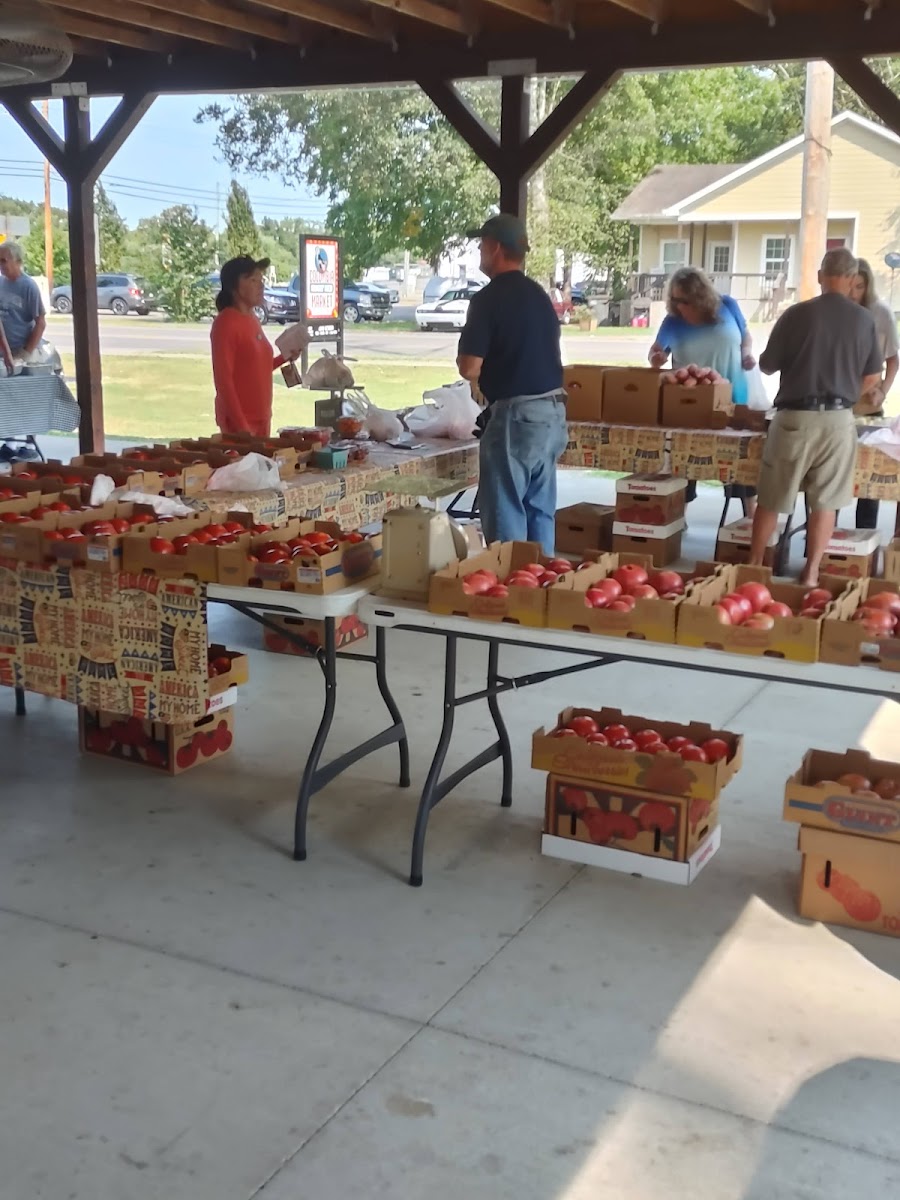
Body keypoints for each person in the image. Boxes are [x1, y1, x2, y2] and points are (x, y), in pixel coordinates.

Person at [749, 248, 882, 587]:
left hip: (794, 417)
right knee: (826, 502)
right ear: (852, 279)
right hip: (839, 419)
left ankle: (754, 565)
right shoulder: (864, 320)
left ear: (821, 276)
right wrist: (846, 392)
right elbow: (872, 377)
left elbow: (767, 365)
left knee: (772, 497)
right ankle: (810, 572)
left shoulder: (796, 314)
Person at [456, 214, 568, 555]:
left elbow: (469, 366)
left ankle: (510, 581)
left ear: (495, 247)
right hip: (552, 412)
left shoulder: (488, 299)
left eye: (481, 245)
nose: (479, 251)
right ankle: (542, 578)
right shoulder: (538, 295)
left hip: (516, 415)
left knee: (506, 515)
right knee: (539, 511)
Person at [648, 266, 757, 508]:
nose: (680, 306)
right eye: (675, 300)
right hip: (690, 405)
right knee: (684, 463)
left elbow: (746, 336)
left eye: (685, 301)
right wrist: (657, 359)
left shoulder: (728, 306)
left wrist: (747, 354)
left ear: (701, 297)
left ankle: (749, 521)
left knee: (740, 466)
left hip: (733, 398)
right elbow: (655, 353)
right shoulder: (673, 321)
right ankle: (677, 520)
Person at [210, 255, 295, 438]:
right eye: (253, 280)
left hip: (262, 418)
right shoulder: (226, 323)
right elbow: (223, 381)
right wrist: (242, 427)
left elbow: (257, 367)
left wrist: (284, 358)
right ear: (235, 287)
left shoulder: (252, 319)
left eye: (261, 280)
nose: (261, 286)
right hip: (240, 424)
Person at [851, 257, 899, 530]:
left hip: (869, 405)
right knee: (834, 477)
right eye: (850, 286)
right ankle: (824, 538)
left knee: (869, 480)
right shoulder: (840, 311)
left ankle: (864, 536)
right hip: (839, 406)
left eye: (859, 287)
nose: (854, 293)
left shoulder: (881, 313)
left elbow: (893, 360)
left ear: (867, 287)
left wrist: (883, 390)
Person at [0, 241, 46, 359]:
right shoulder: (1, 283)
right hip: (4, 351)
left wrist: (26, 353)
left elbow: (40, 323)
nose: (1, 265)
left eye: (4, 261)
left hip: (20, 350)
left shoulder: (29, 286)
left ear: (18, 261)